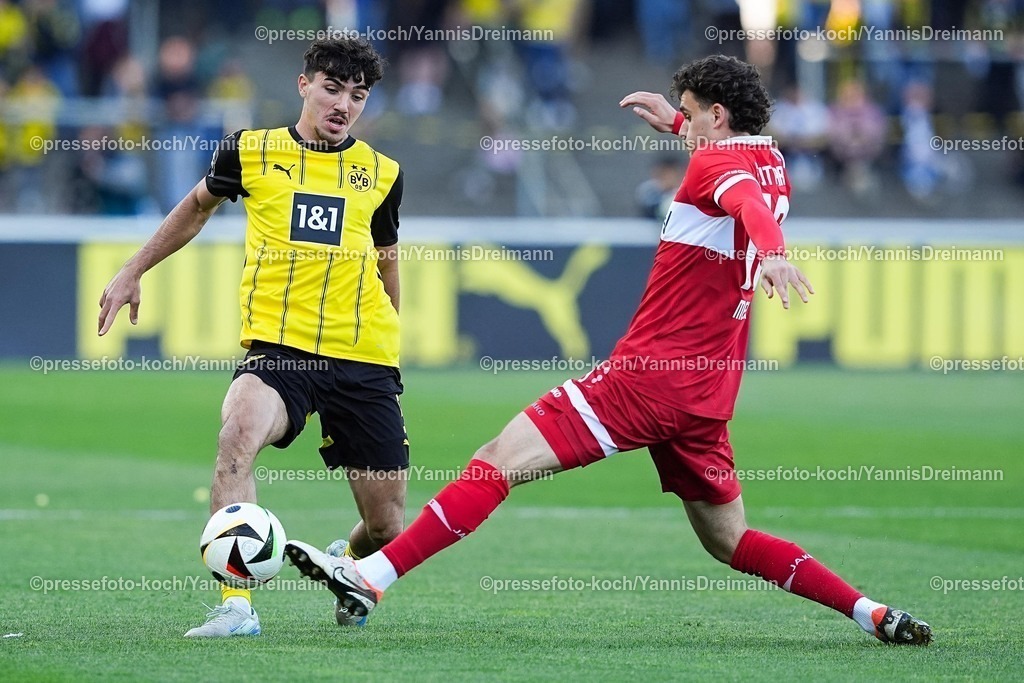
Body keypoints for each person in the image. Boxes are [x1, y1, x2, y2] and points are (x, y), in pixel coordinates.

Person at [285, 55, 933, 646]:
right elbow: (741, 183)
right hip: (706, 395)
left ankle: (371, 574)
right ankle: (869, 609)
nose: (686, 128)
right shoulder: (772, 162)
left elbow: (735, 196)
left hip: (646, 378)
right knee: (730, 538)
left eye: (690, 110)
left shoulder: (717, 165)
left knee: (497, 461)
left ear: (717, 114)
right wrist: (678, 119)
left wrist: (774, 253)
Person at [97, 37, 409, 637]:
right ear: (303, 85)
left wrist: (391, 325)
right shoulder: (250, 151)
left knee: (389, 526)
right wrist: (133, 270)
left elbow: (387, 256)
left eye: (358, 94)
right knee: (237, 435)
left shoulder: (383, 174)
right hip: (279, 350)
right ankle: (236, 606)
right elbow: (194, 207)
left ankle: (343, 563)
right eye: (332, 88)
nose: (344, 103)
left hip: (363, 353)